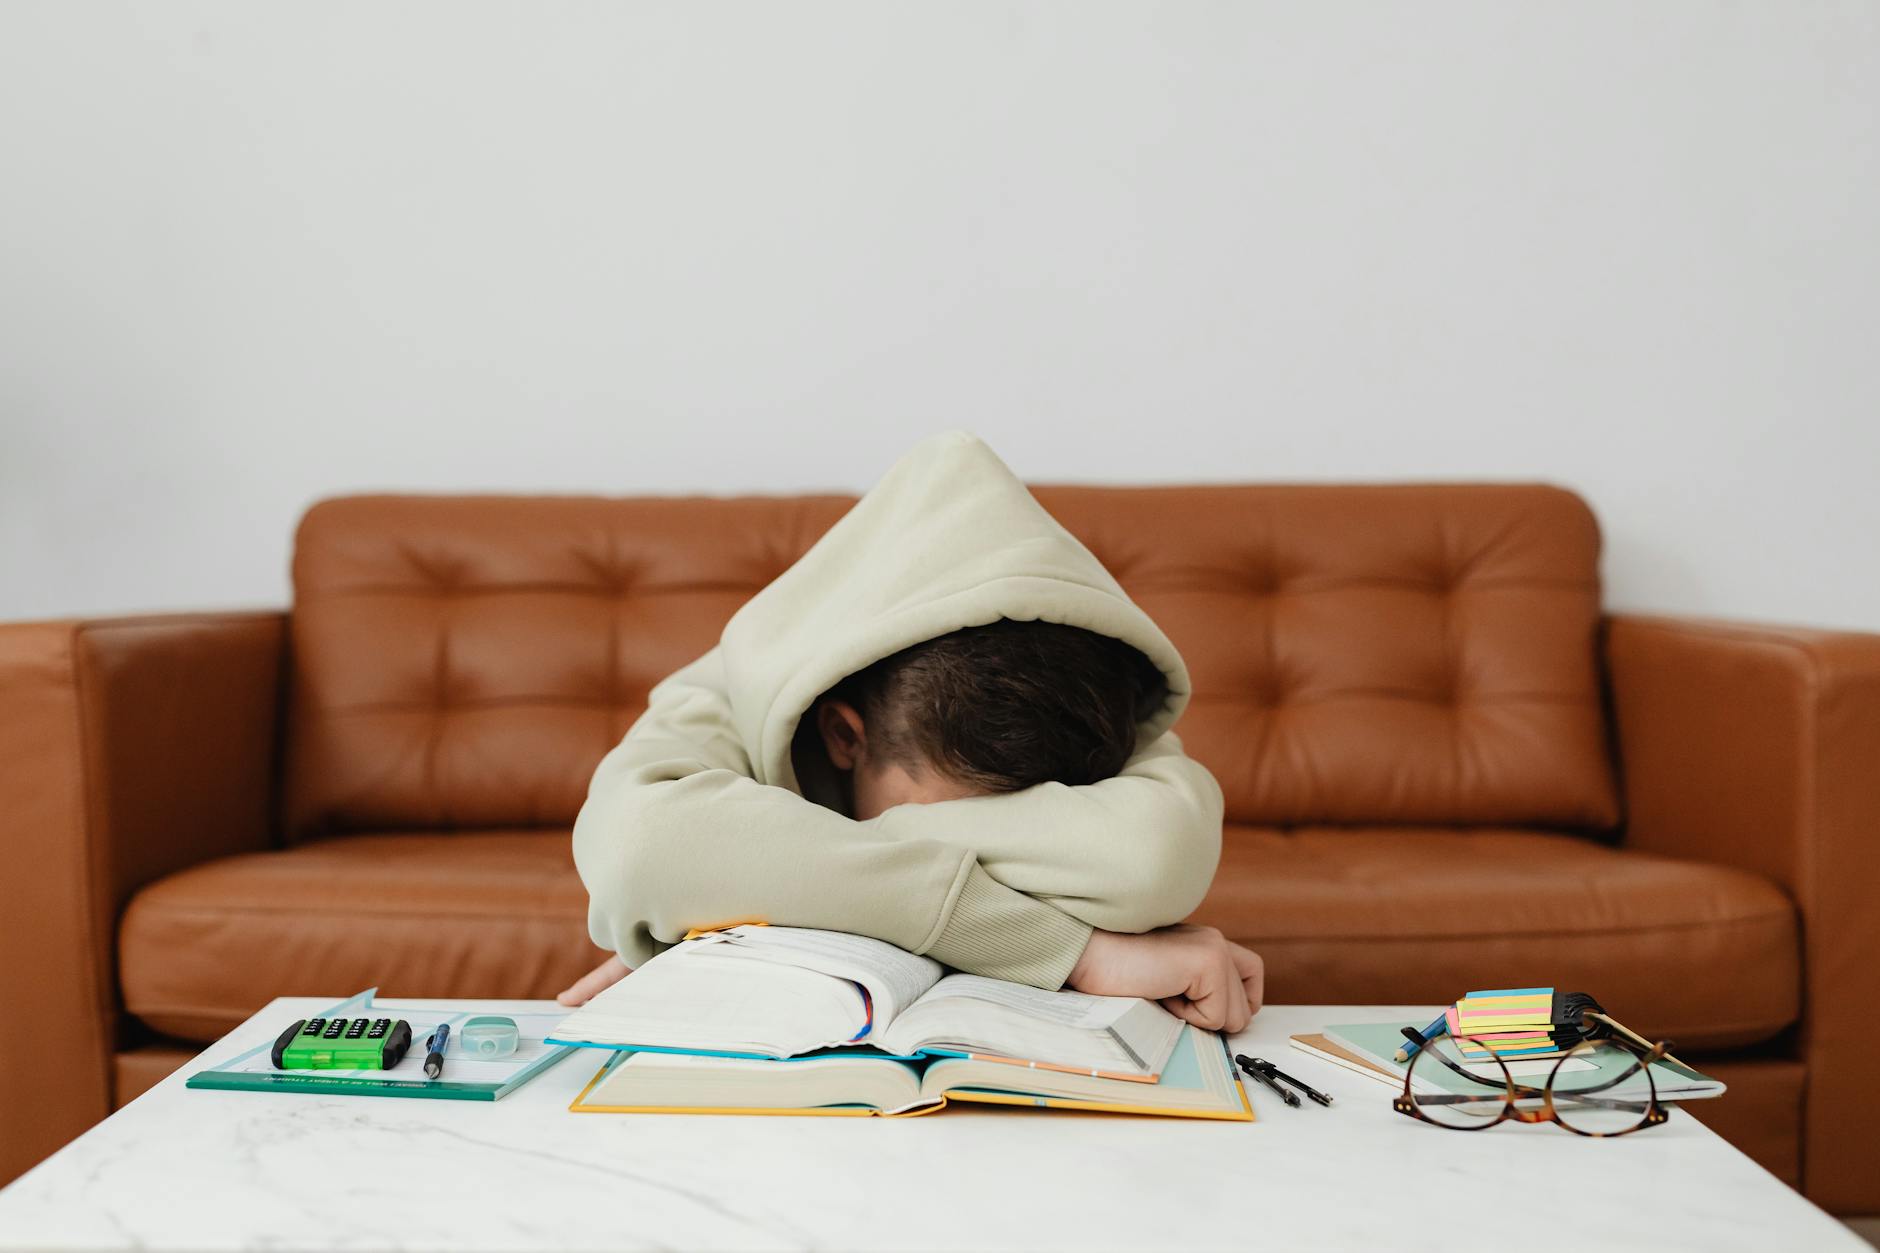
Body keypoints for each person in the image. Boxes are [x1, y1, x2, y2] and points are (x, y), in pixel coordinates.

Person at [562, 430, 1264, 1032]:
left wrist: (737, 884)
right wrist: (1068, 948)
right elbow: (642, 846)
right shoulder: (730, 686)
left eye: (1028, 820)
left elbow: (1151, 854)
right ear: (844, 735)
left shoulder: (1083, 692)